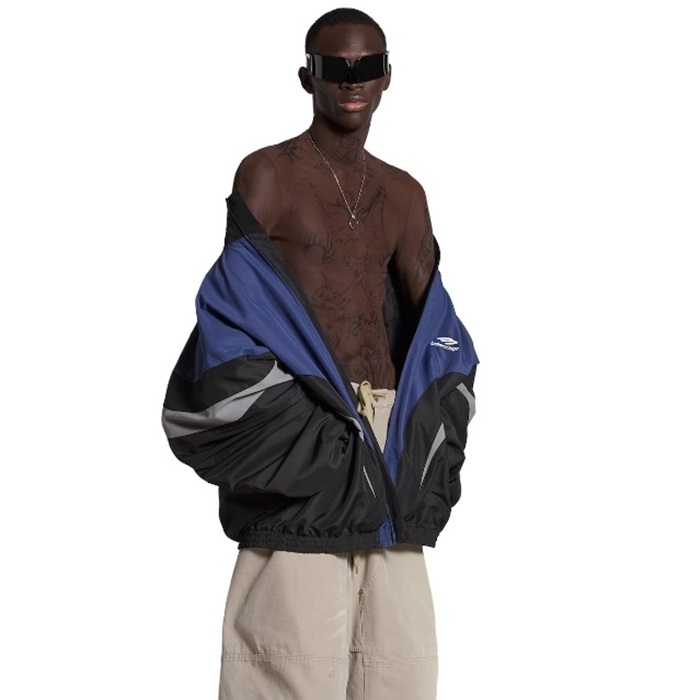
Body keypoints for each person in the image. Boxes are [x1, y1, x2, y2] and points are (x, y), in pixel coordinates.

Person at [161, 7, 478, 699]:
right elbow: (235, 316)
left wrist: (434, 445)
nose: (352, 80)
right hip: (306, 432)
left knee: (398, 671)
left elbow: (440, 339)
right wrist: (311, 443)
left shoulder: (404, 193)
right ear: (308, 77)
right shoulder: (270, 174)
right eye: (336, 67)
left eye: (367, 66)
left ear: (388, 75)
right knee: (287, 664)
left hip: (387, 446)